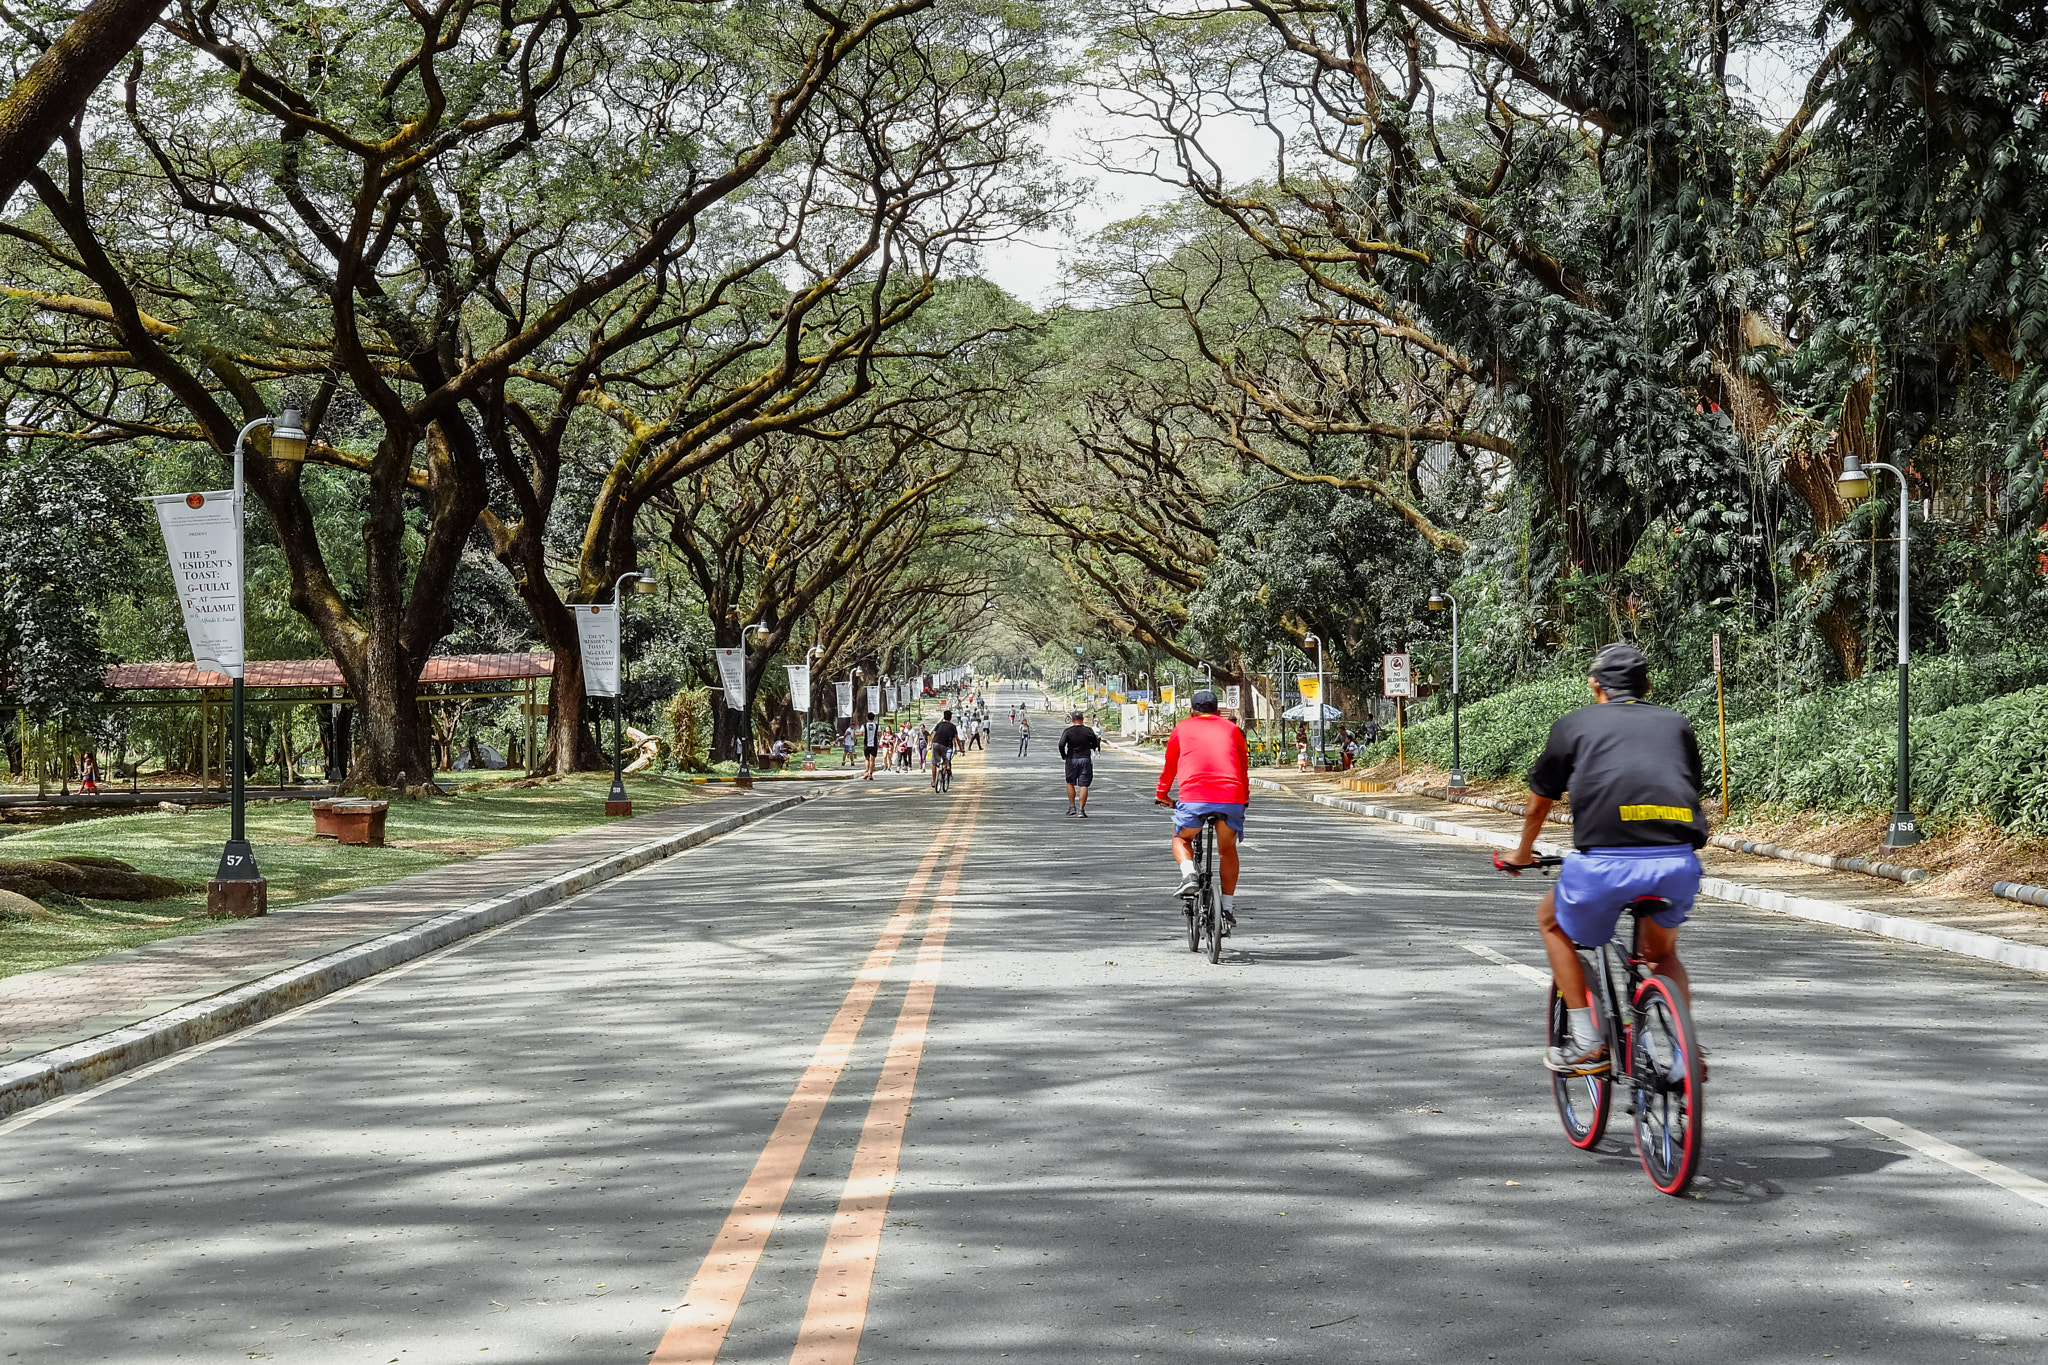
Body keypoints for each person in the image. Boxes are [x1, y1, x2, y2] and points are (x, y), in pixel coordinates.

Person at [1499, 643, 1707, 1076]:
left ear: (1595, 685)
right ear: (1646, 685)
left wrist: (1522, 853)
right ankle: (1688, 1054)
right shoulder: (1676, 723)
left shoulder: (1575, 725)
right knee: (1660, 955)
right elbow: (1686, 785)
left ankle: (1587, 1040)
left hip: (1604, 866)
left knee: (1551, 920)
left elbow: (1539, 804)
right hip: (1676, 863)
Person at [1154, 689, 1252, 931]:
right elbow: (1242, 765)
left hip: (1194, 798)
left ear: (1191, 711)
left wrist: (1161, 794)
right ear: (1218, 712)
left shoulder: (1182, 728)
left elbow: (1170, 765)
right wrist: (1244, 797)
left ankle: (1189, 874)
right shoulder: (1232, 729)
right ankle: (1227, 907)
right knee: (1227, 849)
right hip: (1231, 798)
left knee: (1180, 838)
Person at [1058, 709, 1101, 816]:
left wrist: (1064, 755)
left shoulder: (1068, 731)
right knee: (1084, 785)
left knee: (1070, 782)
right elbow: (1095, 744)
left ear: (1072, 720)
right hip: (1085, 759)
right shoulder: (1089, 731)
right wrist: (1089, 746)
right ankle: (1081, 810)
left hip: (1072, 759)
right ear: (1082, 719)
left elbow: (1061, 744)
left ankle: (1072, 806)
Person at [930, 709, 960, 791]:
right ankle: (947, 767)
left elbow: (933, 734)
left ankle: (933, 781)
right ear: (950, 718)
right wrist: (961, 748)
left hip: (935, 744)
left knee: (934, 763)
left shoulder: (939, 724)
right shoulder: (953, 727)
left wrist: (930, 744)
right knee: (946, 758)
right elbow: (956, 738)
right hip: (945, 746)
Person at [863, 715, 881, 780]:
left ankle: (866, 772)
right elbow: (879, 734)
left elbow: (861, 733)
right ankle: (870, 773)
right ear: (874, 718)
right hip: (874, 744)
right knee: (872, 760)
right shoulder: (877, 726)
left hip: (866, 744)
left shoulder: (864, 725)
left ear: (867, 718)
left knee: (867, 759)